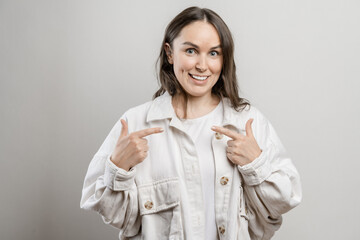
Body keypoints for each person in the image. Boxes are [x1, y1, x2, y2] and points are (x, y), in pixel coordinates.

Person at [80, 6, 302, 240]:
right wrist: (118, 168)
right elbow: (115, 216)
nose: (202, 65)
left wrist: (256, 163)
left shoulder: (248, 122)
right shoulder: (135, 123)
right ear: (170, 53)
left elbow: (283, 203)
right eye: (191, 51)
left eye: (214, 53)